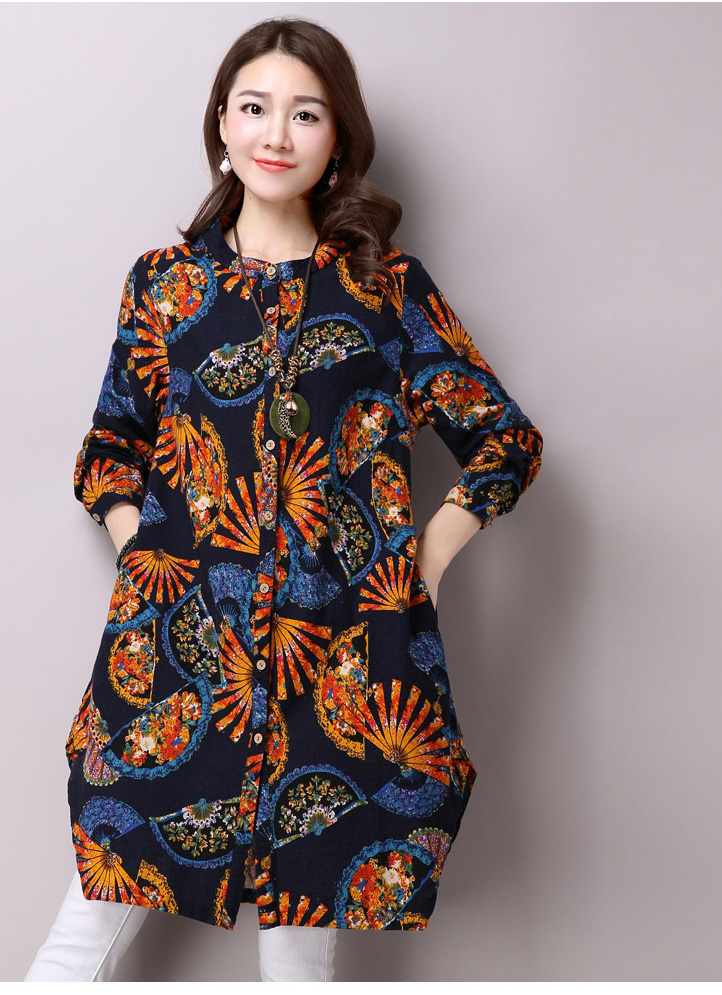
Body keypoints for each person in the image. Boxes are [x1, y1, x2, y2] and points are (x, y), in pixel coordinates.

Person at [25, 15, 543, 983]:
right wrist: (149, 556)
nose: (276, 133)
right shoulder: (166, 286)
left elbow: (501, 439)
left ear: (337, 137)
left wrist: (426, 558)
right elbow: (110, 450)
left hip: (341, 668)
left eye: (305, 114)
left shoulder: (386, 289)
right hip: (180, 665)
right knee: (81, 935)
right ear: (221, 122)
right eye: (255, 107)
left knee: (299, 956)